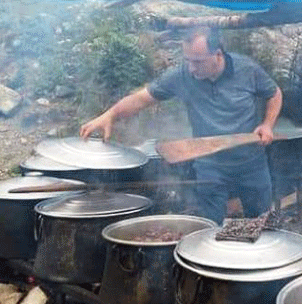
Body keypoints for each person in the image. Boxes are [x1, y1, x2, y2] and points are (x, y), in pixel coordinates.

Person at [80, 26, 283, 225]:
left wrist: (267, 125)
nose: (191, 68)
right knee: (209, 226)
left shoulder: (246, 69)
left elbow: (274, 94)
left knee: (262, 223)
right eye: (187, 60)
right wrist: (110, 115)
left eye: (198, 61)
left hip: (250, 161)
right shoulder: (183, 75)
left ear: (218, 55)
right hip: (209, 163)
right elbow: (142, 99)